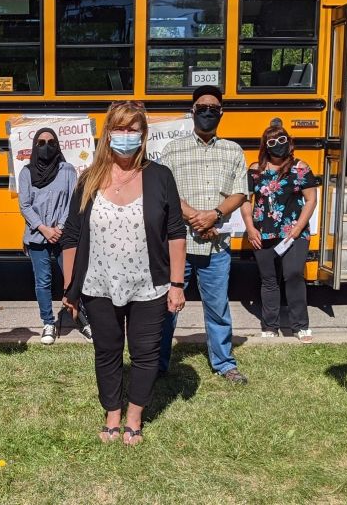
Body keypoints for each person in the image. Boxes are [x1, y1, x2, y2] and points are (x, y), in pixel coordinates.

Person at [60, 101, 186, 446]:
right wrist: (70, 287)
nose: (126, 136)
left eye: (133, 129)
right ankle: (111, 414)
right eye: (120, 128)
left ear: (143, 135)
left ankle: (134, 417)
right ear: (107, 133)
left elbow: (175, 231)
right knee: (107, 351)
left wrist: (176, 284)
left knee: (145, 353)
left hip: (150, 285)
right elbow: (71, 236)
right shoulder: (89, 179)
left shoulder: (160, 177)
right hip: (98, 284)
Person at [158, 85, 249, 384]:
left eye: (213, 109)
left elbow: (239, 193)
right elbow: (166, 192)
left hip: (217, 245)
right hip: (178, 243)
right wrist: (198, 218)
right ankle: (158, 362)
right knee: (169, 305)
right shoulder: (173, 149)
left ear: (221, 113)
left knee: (218, 306)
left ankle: (224, 363)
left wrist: (215, 216)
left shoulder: (233, 150)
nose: (207, 113)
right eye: (202, 108)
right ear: (193, 112)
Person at [241, 124, 319, 342]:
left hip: (294, 232)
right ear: (265, 146)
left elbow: (311, 200)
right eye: (272, 142)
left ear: (289, 142)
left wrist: (297, 229)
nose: (278, 146)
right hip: (263, 232)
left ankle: (300, 325)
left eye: (282, 140)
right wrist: (250, 227)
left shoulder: (301, 168)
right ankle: (270, 326)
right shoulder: (255, 170)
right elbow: (246, 200)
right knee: (269, 280)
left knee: (293, 274)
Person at [18, 127, 91, 344]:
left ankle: (83, 320)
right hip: (36, 236)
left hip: (64, 235)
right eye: (41, 143)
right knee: (43, 281)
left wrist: (58, 227)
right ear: (34, 146)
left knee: (73, 279)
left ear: (57, 145)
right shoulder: (26, 172)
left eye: (51, 142)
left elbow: (72, 200)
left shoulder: (67, 170)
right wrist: (44, 228)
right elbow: (25, 205)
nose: (46, 147)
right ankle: (48, 323)